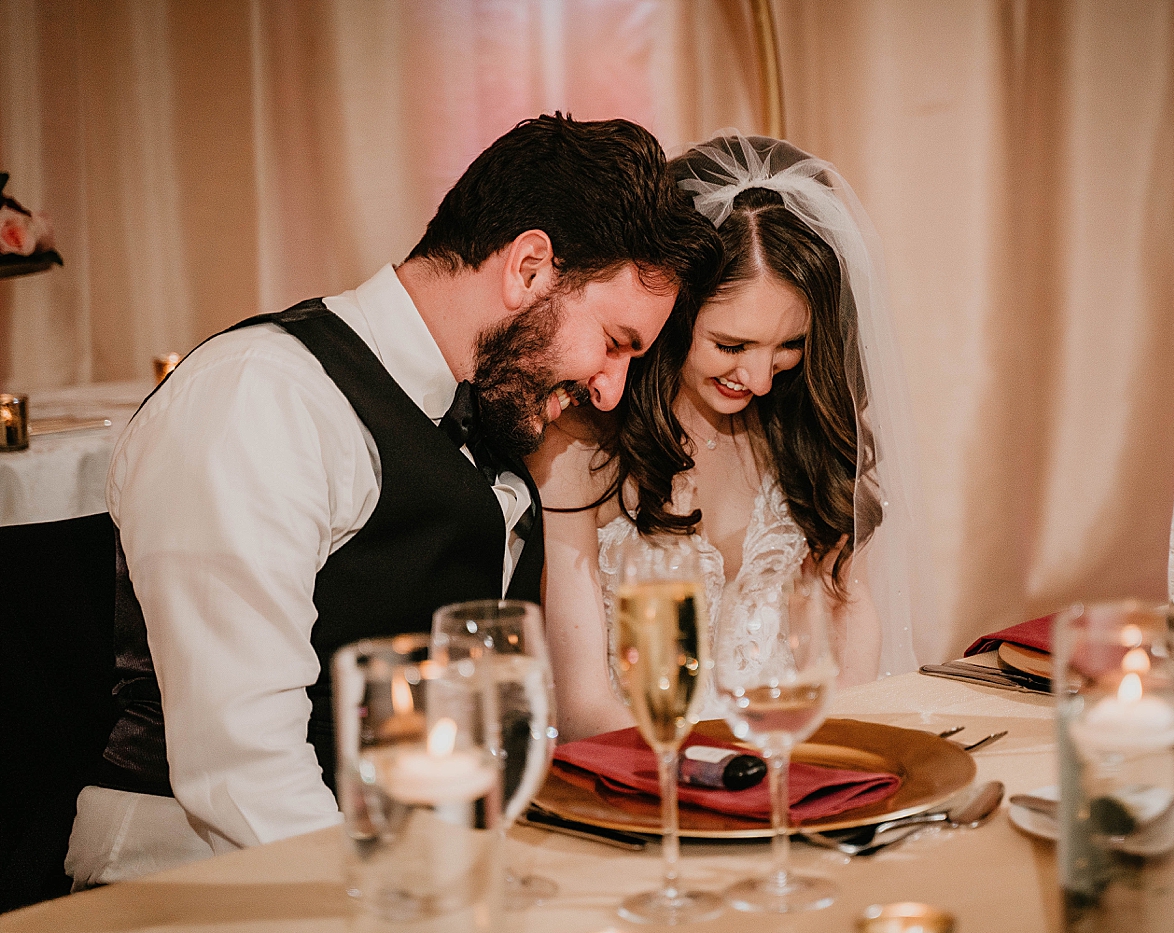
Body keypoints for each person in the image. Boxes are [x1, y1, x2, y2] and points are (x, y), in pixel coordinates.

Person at [64, 114, 721, 887]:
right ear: (530, 267)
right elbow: (242, 769)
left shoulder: (487, 415)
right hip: (192, 881)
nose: (609, 390)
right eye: (614, 340)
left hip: (403, 870)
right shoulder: (261, 398)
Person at [530, 134, 929, 742]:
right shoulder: (579, 446)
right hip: (640, 776)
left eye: (789, 346)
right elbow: (582, 703)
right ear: (673, 315)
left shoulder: (814, 430)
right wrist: (705, 776)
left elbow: (850, 624)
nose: (762, 379)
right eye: (733, 346)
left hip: (789, 764)